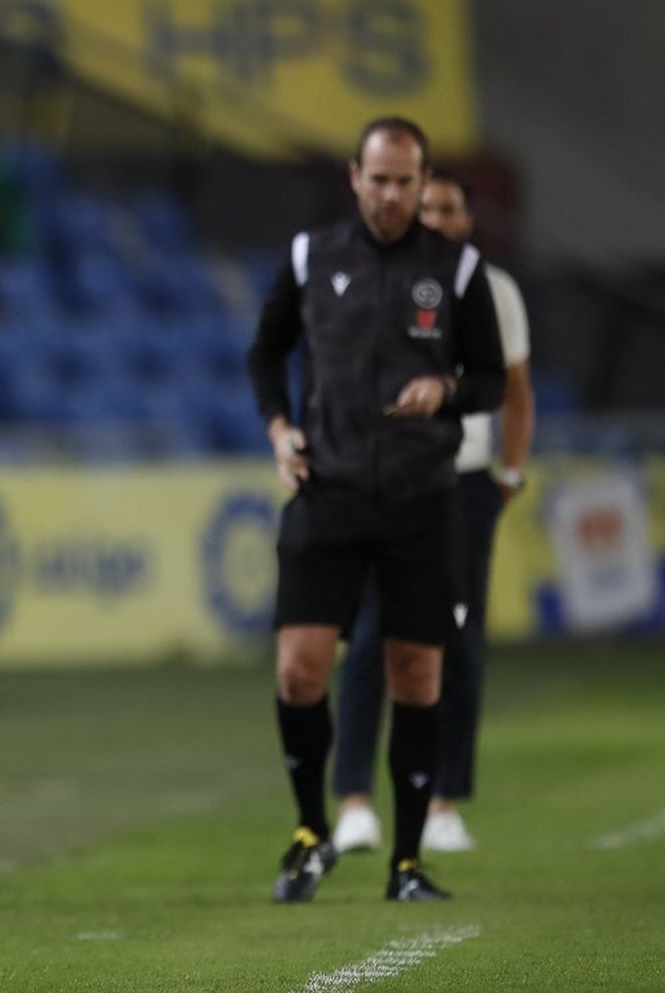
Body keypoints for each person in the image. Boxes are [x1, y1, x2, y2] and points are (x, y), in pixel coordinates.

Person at [245, 117, 506, 904]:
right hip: (327, 492)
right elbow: (266, 351)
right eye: (379, 178)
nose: (392, 194)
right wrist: (281, 427)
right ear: (353, 177)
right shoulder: (309, 256)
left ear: (424, 184)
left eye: (407, 181)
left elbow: (491, 380)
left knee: (416, 672)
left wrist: (447, 391)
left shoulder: (458, 269)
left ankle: (406, 860)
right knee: (298, 668)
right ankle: (309, 830)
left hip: (422, 500)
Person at [331, 169, 536, 855]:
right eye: (430, 206)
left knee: (460, 639)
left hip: (466, 480)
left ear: (469, 221)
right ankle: (356, 799)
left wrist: (509, 473)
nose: (439, 217)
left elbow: (515, 389)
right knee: (368, 635)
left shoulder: (495, 291)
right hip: (387, 478)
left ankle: (444, 801)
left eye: (450, 207)